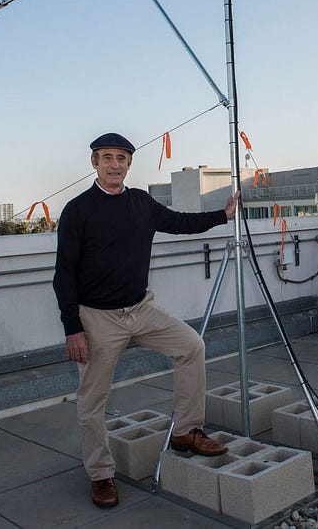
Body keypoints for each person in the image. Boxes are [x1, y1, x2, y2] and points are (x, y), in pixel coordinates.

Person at [52, 132, 239, 509]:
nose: (115, 164)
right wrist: (73, 328)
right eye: (107, 158)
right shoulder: (78, 209)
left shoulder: (141, 202)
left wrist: (223, 215)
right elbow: (64, 274)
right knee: (92, 402)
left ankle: (187, 431)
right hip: (98, 318)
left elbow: (180, 222)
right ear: (95, 163)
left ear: (129, 164)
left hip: (141, 308)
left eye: (121, 158)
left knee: (191, 346)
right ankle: (101, 474)